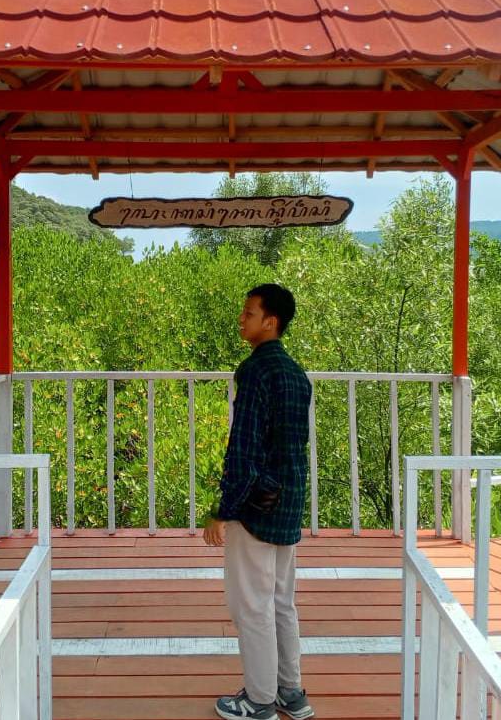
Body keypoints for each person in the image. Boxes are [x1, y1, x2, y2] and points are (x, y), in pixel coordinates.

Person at [204, 284, 315, 720]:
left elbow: (244, 449)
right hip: (288, 501)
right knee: (281, 602)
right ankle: (291, 692)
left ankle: (260, 700)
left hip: (256, 505)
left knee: (251, 606)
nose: (241, 319)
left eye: (248, 313)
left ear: (271, 322)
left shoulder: (253, 372)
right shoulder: (295, 373)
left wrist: (224, 509)